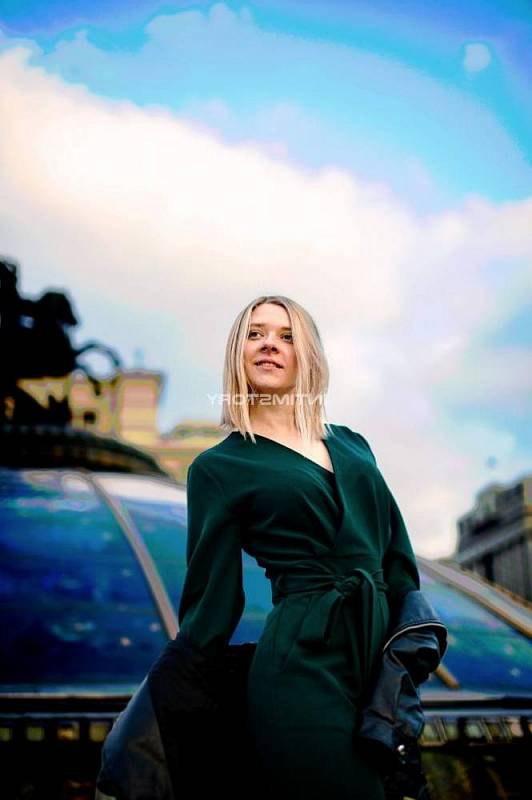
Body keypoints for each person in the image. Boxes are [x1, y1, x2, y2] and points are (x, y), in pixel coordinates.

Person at [177, 294, 422, 800]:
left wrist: (406, 653)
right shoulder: (217, 468)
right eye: (255, 334)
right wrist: (167, 693)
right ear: (238, 353)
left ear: (307, 354)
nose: (270, 344)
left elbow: (397, 557)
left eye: (287, 336)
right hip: (299, 667)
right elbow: (211, 603)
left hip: (377, 666)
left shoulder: (353, 444)